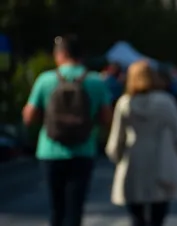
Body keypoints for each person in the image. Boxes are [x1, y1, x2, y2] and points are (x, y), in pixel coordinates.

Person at [22, 34, 112, 226]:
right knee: (75, 209)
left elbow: (29, 117)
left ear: (60, 54)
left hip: (51, 150)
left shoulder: (45, 80)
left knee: (56, 208)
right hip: (83, 149)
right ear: (82, 56)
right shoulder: (95, 81)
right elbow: (106, 118)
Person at [106, 60, 177, 226]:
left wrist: (115, 155)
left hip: (133, 161)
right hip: (161, 160)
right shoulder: (165, 102)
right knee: (158, 215)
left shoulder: (125, 103)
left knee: (137, 217)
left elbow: (117, 137)